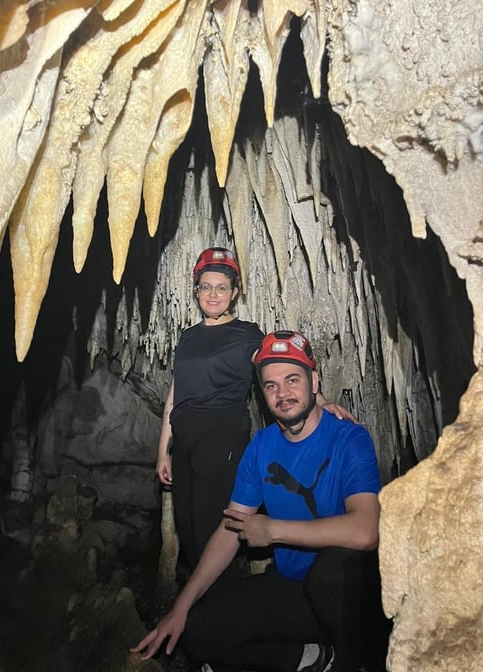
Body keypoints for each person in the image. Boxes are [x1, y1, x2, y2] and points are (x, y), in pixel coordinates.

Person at [135, 330, 391, 672]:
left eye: (292, 380)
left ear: (314, 382)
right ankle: (313, 659)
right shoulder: (261, 447)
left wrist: (273, 530)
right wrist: (180, 607)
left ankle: (361, 661)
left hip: (349, 597)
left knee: (330, 572)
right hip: (294, 591)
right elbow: (230, 530)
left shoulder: (349, 437)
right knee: (197, 631)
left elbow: (367, 530)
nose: (282, 393)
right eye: (271, 385)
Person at [157, 249, 351, 574]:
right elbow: (176, 395)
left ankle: (223, 597)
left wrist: (319, 401)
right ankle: (203, 598)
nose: (213, 294)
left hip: (220, 438)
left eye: (222, 287)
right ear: (196, 290)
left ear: (234, 292)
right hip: (185, 444)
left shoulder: (246, 335)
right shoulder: (188, 338)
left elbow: (278, 367)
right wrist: (164, 451)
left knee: (211, 529)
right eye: (206, 287)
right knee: (188, 530)